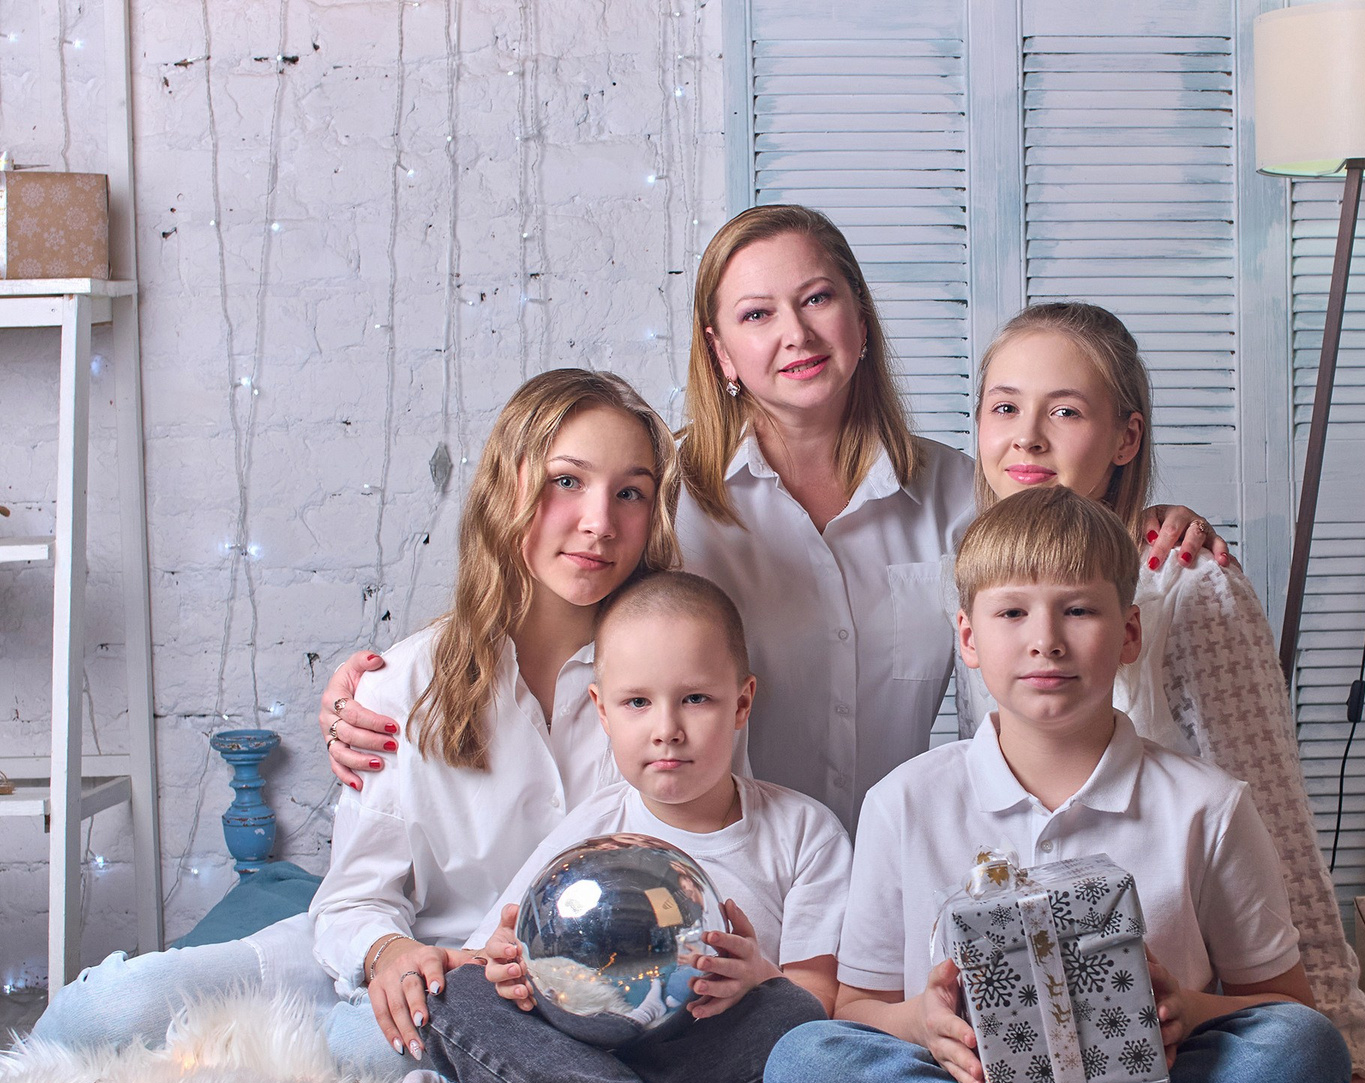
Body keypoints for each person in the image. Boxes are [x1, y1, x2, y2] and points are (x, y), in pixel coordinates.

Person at [320, 206, 1228, 831]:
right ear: (722, 352)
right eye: (757, 314)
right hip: (726, 876)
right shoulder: (661, 496)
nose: (795, 333)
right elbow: (557, 598)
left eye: (818, 299)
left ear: (860, 321)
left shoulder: (962, 492)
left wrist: (1146, 511)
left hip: (904, 866)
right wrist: (381, 687)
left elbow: (1062, 547)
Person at [33, 369, 678, 1072]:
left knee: (370, 1056)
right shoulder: (406, 681)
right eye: (567, 481)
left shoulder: (674, 690)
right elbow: (355, 898)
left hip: (508, 999)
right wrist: (388, 952)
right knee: (105, 1012)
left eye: (630, 493)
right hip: (381, 954)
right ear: (510, 487)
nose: (599, 523)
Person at [762, 487, 1365, 1083]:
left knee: (1306, 1051)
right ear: (968, 637)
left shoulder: (1208, 806)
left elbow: (1286, 1008)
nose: (1046, 640)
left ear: (1129, 633)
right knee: (802, 1063)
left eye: (1079, 610)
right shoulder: (903, 803)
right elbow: (856, 1009)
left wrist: (1188, 1010)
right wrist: (921, 1023)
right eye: (1012, 612)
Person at [955, 302, 1365, 1083]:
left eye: (1065, 412)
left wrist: (1344, 1053)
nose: (1028, 438)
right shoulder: (982, 574)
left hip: (1186, 1014)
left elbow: (1276, 824)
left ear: (1126, 439)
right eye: (1005, 407)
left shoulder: (1187, 581)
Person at [414, 571, 849, 1083]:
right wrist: (510, 970)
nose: (666, 728)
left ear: (742, 703)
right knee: (453, 991)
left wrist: (758, 977)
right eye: (637, 703)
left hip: (704, 1051)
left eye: (695, 699)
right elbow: (492, 952)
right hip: (584, 1040)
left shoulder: (804, 831)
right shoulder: (593, 828)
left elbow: (819, 998)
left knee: (793, 1021)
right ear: (602, 710)